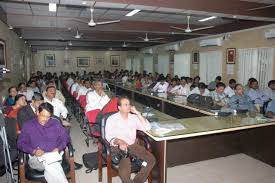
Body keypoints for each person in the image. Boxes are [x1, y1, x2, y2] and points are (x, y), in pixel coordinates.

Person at [105, 96, 156, 183]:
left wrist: (137, 113)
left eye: (129, 104)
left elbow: (147, 127)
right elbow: (109, 136)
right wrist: (120, 141)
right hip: (118, 147)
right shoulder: (112, 119)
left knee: (151, 160)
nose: (129, 106)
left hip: (132, 146)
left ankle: (137, 181)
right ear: (119, 107)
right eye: (125, 105)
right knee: (125, 171)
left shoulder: (134, 118)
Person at [17, 102, 70, 183]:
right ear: (37, 112)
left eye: (48, 117)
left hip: (55, 156)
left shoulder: (55, 123)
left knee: (51, 164)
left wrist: (58, 148)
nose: (45, 119)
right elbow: (20, 143)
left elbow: (65, 138)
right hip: (36, 159)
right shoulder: (28, 125)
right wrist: (33, 151)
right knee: (51, 164)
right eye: (43, 116)